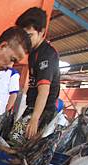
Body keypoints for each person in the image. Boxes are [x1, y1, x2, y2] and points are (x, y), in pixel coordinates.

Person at [16, 7, 60, 140]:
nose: (26, 40)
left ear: (41, 32)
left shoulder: (47, 54)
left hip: (43, 113)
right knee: (13, 141)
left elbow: (44, 91)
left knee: (26, 147)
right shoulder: (33, 52)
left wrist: (35, 119)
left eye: (29, 35)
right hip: (32, 108)